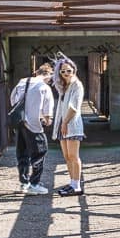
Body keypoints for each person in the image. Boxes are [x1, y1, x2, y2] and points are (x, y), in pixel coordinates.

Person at [11, 62, 54, 194]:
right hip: (34, 124)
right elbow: (48, 106)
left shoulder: (22, 81)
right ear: (48, 75)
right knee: (40, 152)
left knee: (22, 153)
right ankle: (34, 183)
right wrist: (47, 119)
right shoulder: (44, 87)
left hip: (20, 122)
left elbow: (13, 99)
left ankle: (24, 183)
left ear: (36, 72)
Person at [52, 56, 86, 196]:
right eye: (63, 71)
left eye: (69, 70)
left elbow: (74, 107)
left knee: (73, 155)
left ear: (74, 70)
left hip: (71, 124)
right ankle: (72, 182)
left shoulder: (76, 85)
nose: (66, 73)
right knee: (66, 156)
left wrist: (65, 123)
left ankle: (77, 186)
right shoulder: (63, 87)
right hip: (62, 124)